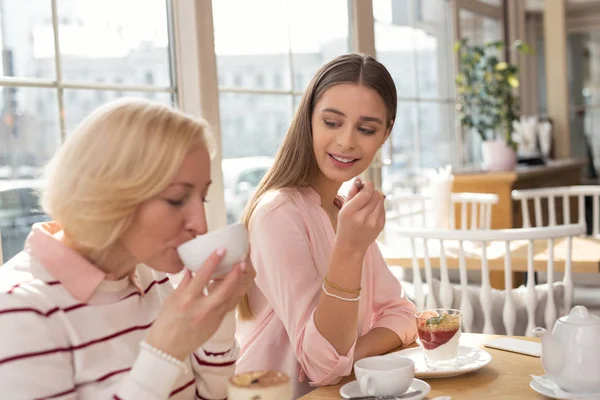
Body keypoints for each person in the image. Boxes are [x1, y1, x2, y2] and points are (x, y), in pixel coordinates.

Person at [0, 99, 255, 399]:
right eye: (176, 200)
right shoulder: (19, 312)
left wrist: (220, 311)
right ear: (108, 195)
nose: (200, 225)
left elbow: (213, 395)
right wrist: (163, 352)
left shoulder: (151, 278)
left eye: (204, 198)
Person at [235, 53, 418, 397]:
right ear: (309, 120)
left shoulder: (342, 211)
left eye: (366, 129)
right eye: (332, 122)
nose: (347, 140)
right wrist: (349, 248)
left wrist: (346, 360)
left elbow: (403, 314)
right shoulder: (278, 214)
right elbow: (322, 366)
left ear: (385, 134)